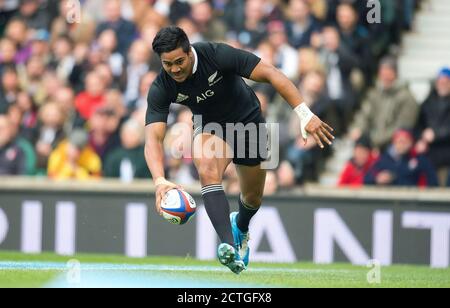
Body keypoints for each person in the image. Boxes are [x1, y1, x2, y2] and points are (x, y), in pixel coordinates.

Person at [145, 26, 334, 274]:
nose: (175, 69)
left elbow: (271, 74)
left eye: (179, 61)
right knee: (207, 168)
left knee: (253, 197)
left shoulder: (217, 55)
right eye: (168, 64)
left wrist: (304, 114)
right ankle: (228, 244)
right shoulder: (162, 85)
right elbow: (153, 139)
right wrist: (159, 180)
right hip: (210, 126)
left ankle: (241, 227)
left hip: (249, 122)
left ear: (190, 51)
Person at [364, 129, 438, 187]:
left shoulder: (419, 160)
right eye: (399, 141)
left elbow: (433, 182)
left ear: (411, 143)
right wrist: (377, 179)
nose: (402, 145)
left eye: (405, 141)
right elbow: (367, 179)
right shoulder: (383, 160)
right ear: (394, 142)